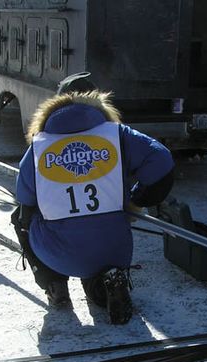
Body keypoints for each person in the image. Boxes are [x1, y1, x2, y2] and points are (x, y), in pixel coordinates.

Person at [12, 72, 175, 324]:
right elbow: (161, 161)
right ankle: (105, 283)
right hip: (114, 248)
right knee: (99, 231)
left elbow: (25, 198)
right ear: (98, 101)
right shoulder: (118, 135)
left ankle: (55, 286)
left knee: (21, 217)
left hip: (59, 254)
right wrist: (136, 201)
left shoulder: (40, 146)